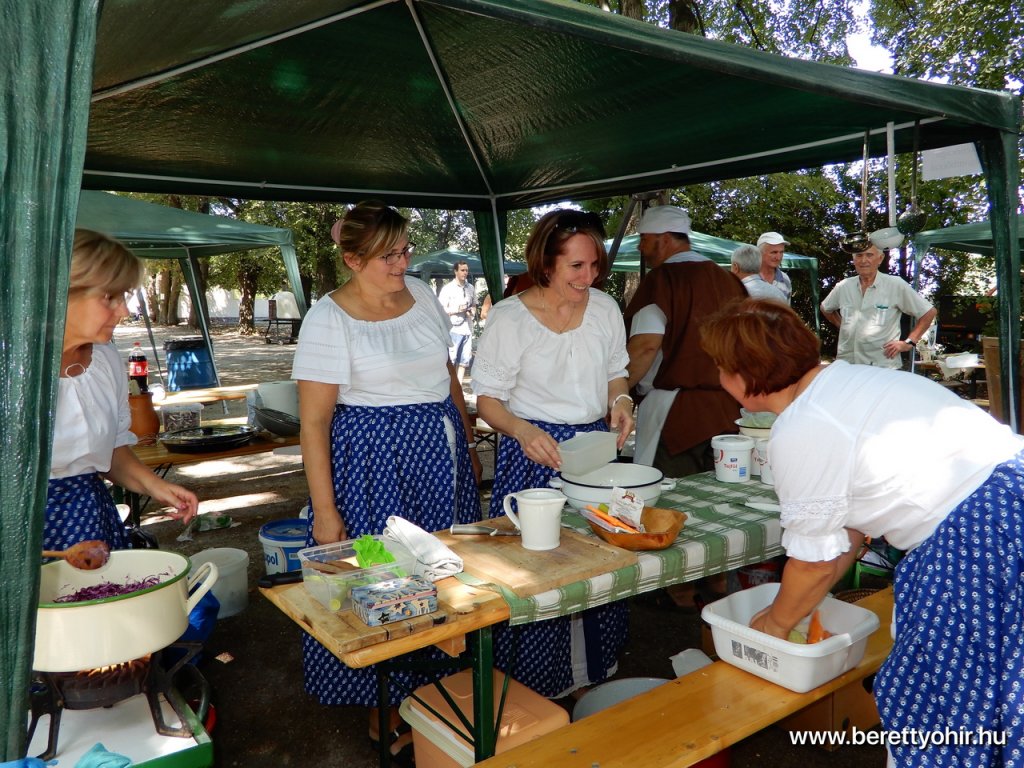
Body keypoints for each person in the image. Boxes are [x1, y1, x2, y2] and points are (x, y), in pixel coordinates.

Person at [700, 297, 1024, 767]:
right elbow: (845, 533)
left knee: (943, 699)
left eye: (719, 367)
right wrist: (800, 601)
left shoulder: (802, 427)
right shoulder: (851, 379)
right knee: (1006, 680)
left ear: (744, 375)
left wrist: (773, 625)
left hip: (976, 535)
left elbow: (813, 564)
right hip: (1011, 493)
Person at [291, 201, 482, 754]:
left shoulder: (422, 293)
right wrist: (325, 511)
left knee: (444, 577)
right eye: (387, 256)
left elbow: (447, 374)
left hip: (437, 455)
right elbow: (315, 421)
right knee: (383, 583)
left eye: (404, 251)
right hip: (373, 465)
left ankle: (437, 698)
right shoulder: (329, 318)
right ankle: (382, 709)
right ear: (351, 259)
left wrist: (466, 440)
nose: (402, 264)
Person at [472, 208, 634, 698]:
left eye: (594, 266)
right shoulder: (509, 318)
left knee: (598, 559)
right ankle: (537, 682)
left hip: (592, 451)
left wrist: (622, 402)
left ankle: (593, 673)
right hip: (532, 450)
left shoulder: (604, 309)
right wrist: (521, 431)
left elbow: (616, 374)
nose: (589, 278)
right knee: (541, 569)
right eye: (576, 268)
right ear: (546, 264)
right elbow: (488, 403)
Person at [46, 230, 198, 552]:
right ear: (61, 291)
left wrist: (156, 486)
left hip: (89, 520)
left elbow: (110, 451)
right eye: (109, 297)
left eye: (124, 297)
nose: (124, 312)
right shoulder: (13, 368)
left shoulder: (106, 361)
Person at [624, 205, 747, 476]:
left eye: (644, 240)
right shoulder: (729, 281)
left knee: (668, 501)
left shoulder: (662, 281)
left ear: (665, 239)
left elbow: (645, 346)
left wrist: (617, 393)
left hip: (676, 417)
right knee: (718, 497)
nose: (640, 248)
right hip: (728, 411)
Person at [820, 231, 936, 368]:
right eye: (859, 255)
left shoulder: (895, 285)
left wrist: (909, 342)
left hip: (882, 365)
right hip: (847, 364)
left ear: (880, 259)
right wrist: (843, 325)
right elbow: (825, 308)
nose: (864, 260)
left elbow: (929, 312)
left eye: (869, 255)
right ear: (854, 260)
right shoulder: (844, 286)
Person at [438, 260, 476, 385]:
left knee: (464, 361)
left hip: (467, 328)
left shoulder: (470, 288)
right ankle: (450, 387)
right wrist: (457, 309)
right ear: (456, 271)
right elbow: (441, 310)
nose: (465, 273)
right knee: (451, 360)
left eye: (466, 270)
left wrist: (472, 312)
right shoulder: (448, 289)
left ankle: (458, 387)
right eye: (462, 270)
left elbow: (474, 305)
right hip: (453, 329)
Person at [756, 231, 792, 304]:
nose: (778, 257)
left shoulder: (785, 279)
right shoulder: (747, 276)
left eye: (781, 252)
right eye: (774, 252)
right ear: (760, 253)